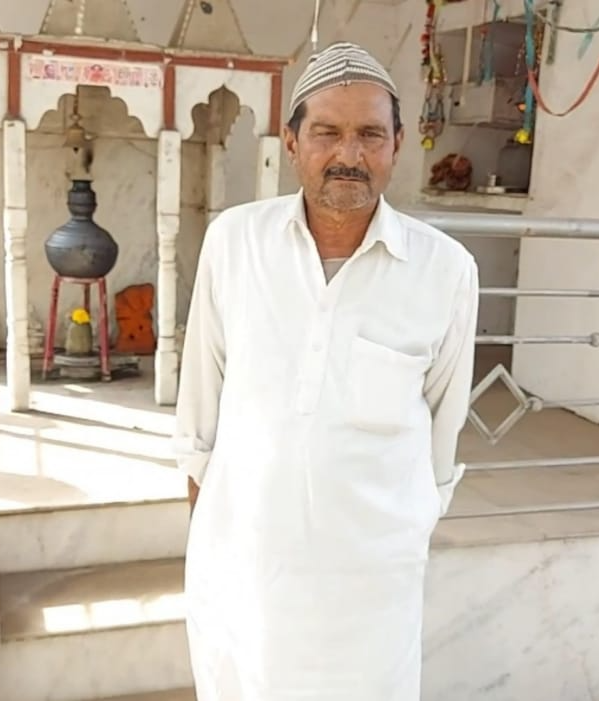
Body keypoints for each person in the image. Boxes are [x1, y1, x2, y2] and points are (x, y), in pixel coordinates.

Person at [173, 41, 480, 701]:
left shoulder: (444, 269)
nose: (349, 154)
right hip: (248, 563)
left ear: (397, 143)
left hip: (370, 578)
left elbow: (443, 421)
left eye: (370, 133)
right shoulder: (233, 241)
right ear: (290, 142)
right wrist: (212, 525)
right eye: (326, 133)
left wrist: (406, 529)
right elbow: (201, 398)